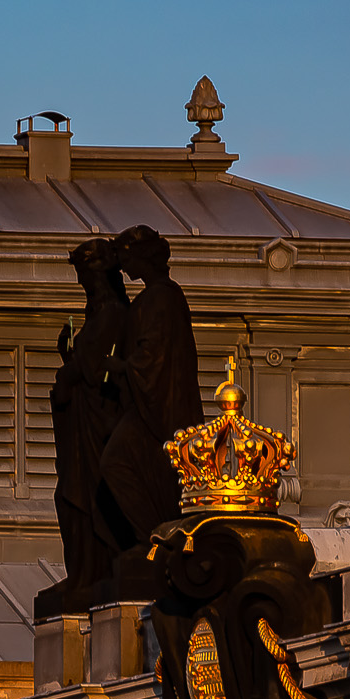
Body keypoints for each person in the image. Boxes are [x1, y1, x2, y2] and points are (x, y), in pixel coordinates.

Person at [39, 237, 130, 615]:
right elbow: (88, 363)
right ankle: (82, 572)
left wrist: (72, 367)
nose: (80, 284)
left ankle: (91, 572)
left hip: (98, 425)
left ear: (99, 274)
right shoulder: (100, 314)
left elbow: (95, 368)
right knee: (70, 496)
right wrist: (71, 360)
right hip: (84, 421)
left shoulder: (113, 313)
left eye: (83, 275)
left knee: (83, 496)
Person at [97, 226, 202, 549]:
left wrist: (117, 366)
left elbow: (153, 359)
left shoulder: (161, 297)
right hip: (148, 401)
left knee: (115, 462)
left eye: (126, 257)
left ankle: (153, 536)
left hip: (156, 405)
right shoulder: (158, 296)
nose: (124, 266)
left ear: (142, 257)